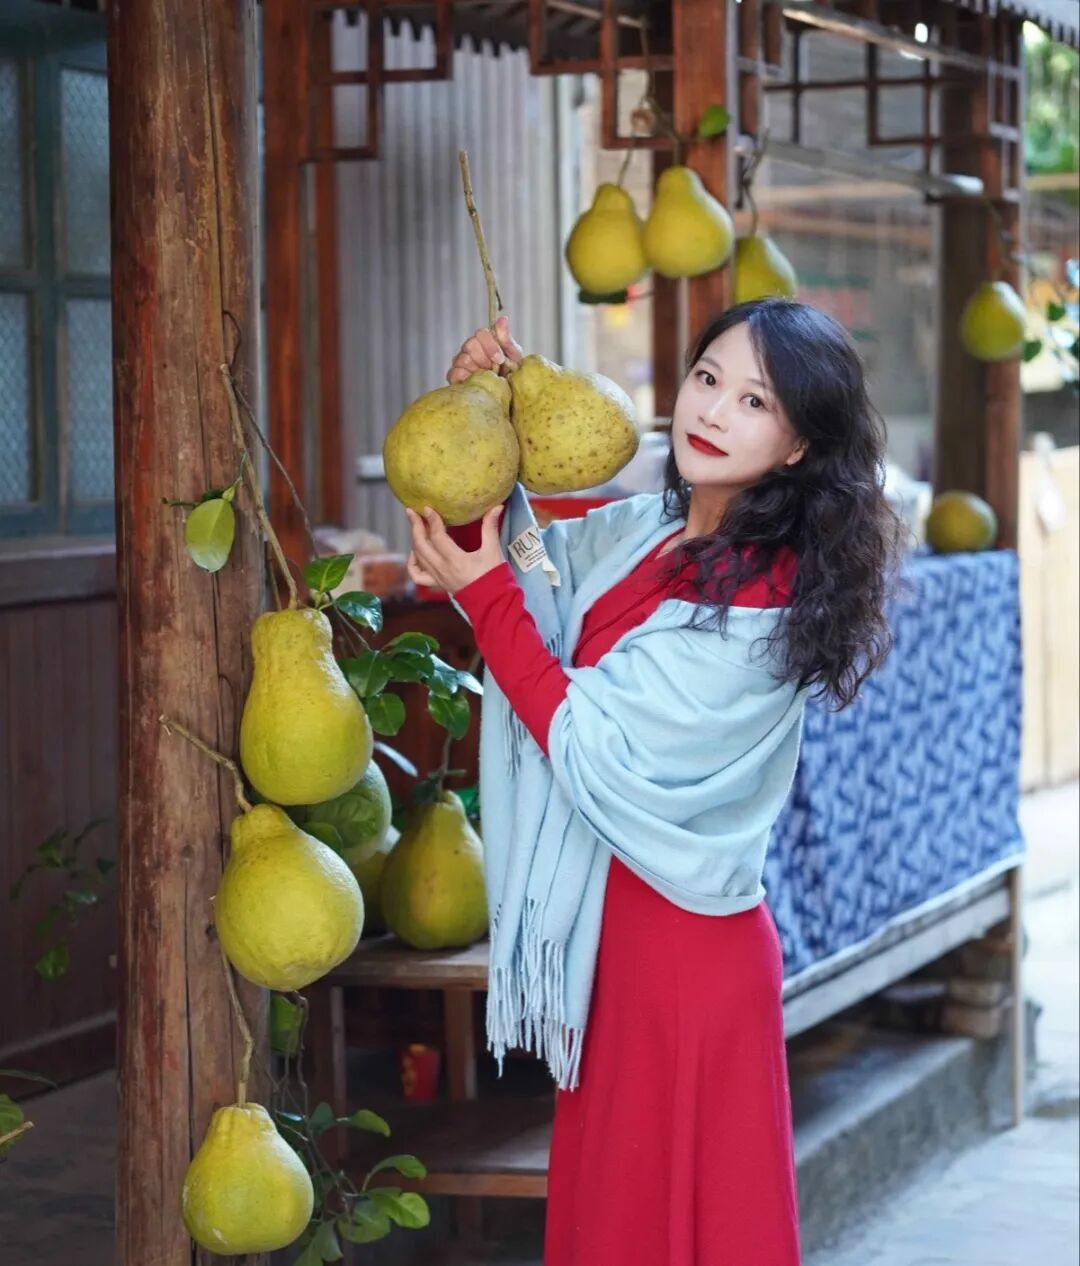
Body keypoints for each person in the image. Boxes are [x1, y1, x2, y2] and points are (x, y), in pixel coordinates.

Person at [405, 300, 903, 1266]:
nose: (712, 410)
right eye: (708, 378)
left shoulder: (763, 601)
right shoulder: (646, 532)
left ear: (800, 444)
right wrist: (483, 420)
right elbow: (525, 573)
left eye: (755, 401)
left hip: (684, 957)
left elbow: (587, 737)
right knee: (617, 1224)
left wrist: (486, 592)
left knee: (668, 1230)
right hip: (612, 949)